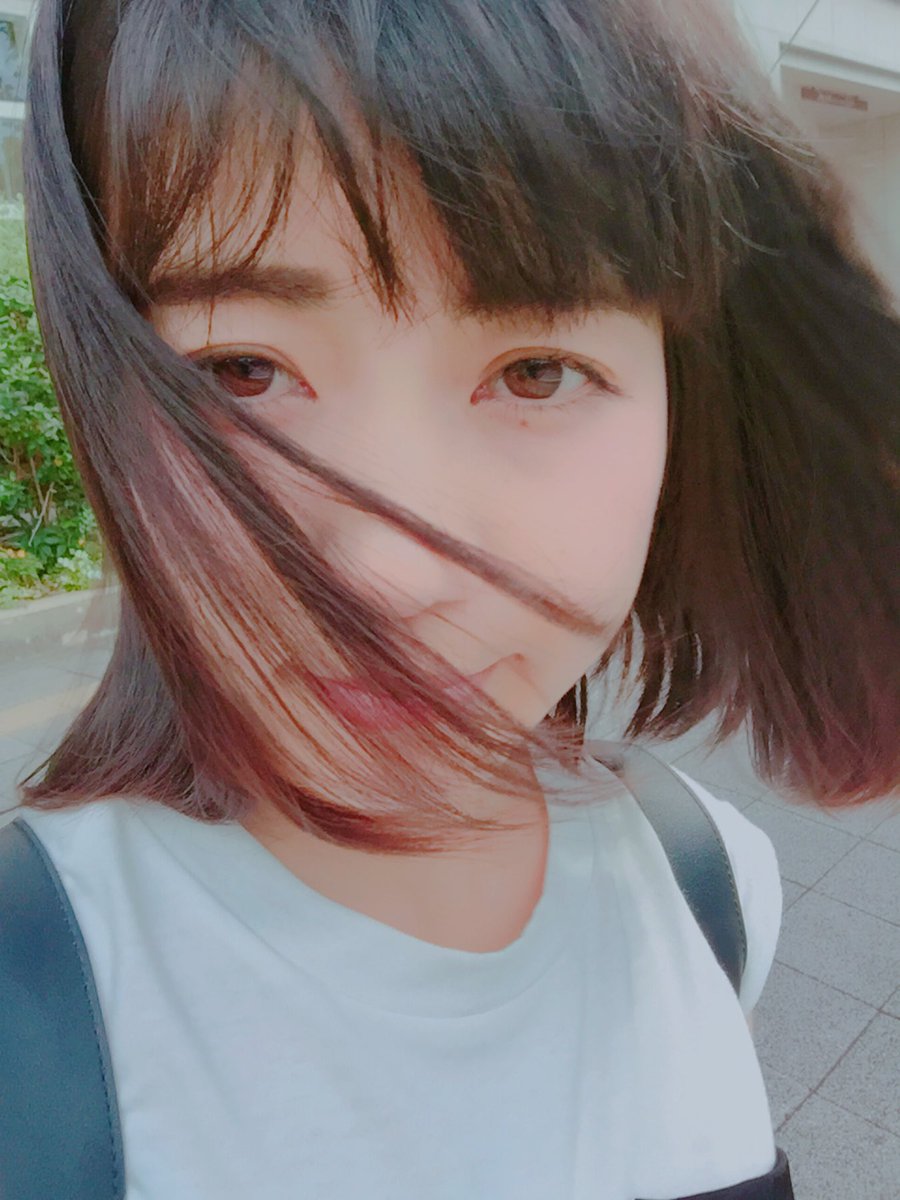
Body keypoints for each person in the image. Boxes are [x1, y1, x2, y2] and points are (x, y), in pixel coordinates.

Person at [6, 0, 898, 1196]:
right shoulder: (33, 997)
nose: (388, 579)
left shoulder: (710, 884)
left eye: (537, 371)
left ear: (683, 416)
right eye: (240, 370)